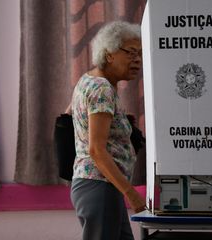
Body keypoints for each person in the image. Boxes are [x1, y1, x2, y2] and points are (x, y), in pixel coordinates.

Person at [70, 20, 146, 240]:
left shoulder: (89, 80)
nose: (137, 60)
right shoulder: (102, 88)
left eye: (140, 54)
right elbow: (96, 150)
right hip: (99, 186)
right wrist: (131, 194)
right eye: (131, 53)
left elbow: (73, 113)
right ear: (109, 54)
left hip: (102, 186)